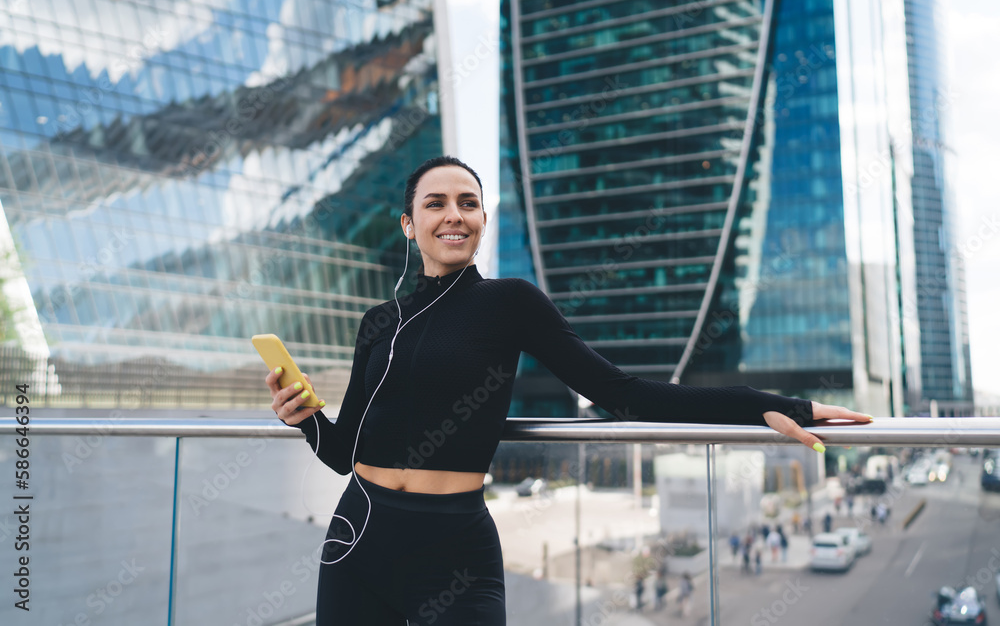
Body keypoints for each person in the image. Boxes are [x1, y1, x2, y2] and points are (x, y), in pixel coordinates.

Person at [267, 156, 873, 624]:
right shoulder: (380, 321)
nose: (454, 214)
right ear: (410, 223)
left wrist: (764, 407)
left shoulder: (510, 303)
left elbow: (622, 393)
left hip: (453, 548)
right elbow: (344, 453)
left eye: (468, 202)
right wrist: (303, 417)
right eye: (436, 203)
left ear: (482, 219)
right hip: (358, 536)